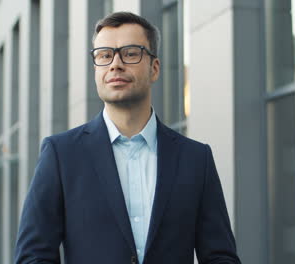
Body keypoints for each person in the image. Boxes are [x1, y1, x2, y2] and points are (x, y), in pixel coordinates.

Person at [15, 12, 241, 264]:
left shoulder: (196, 159)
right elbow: (32, 257)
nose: (115, 64)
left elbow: (220, 256)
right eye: (104, 55)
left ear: (154, 68)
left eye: (131, 53)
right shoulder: (61, 154)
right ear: (95, 70)